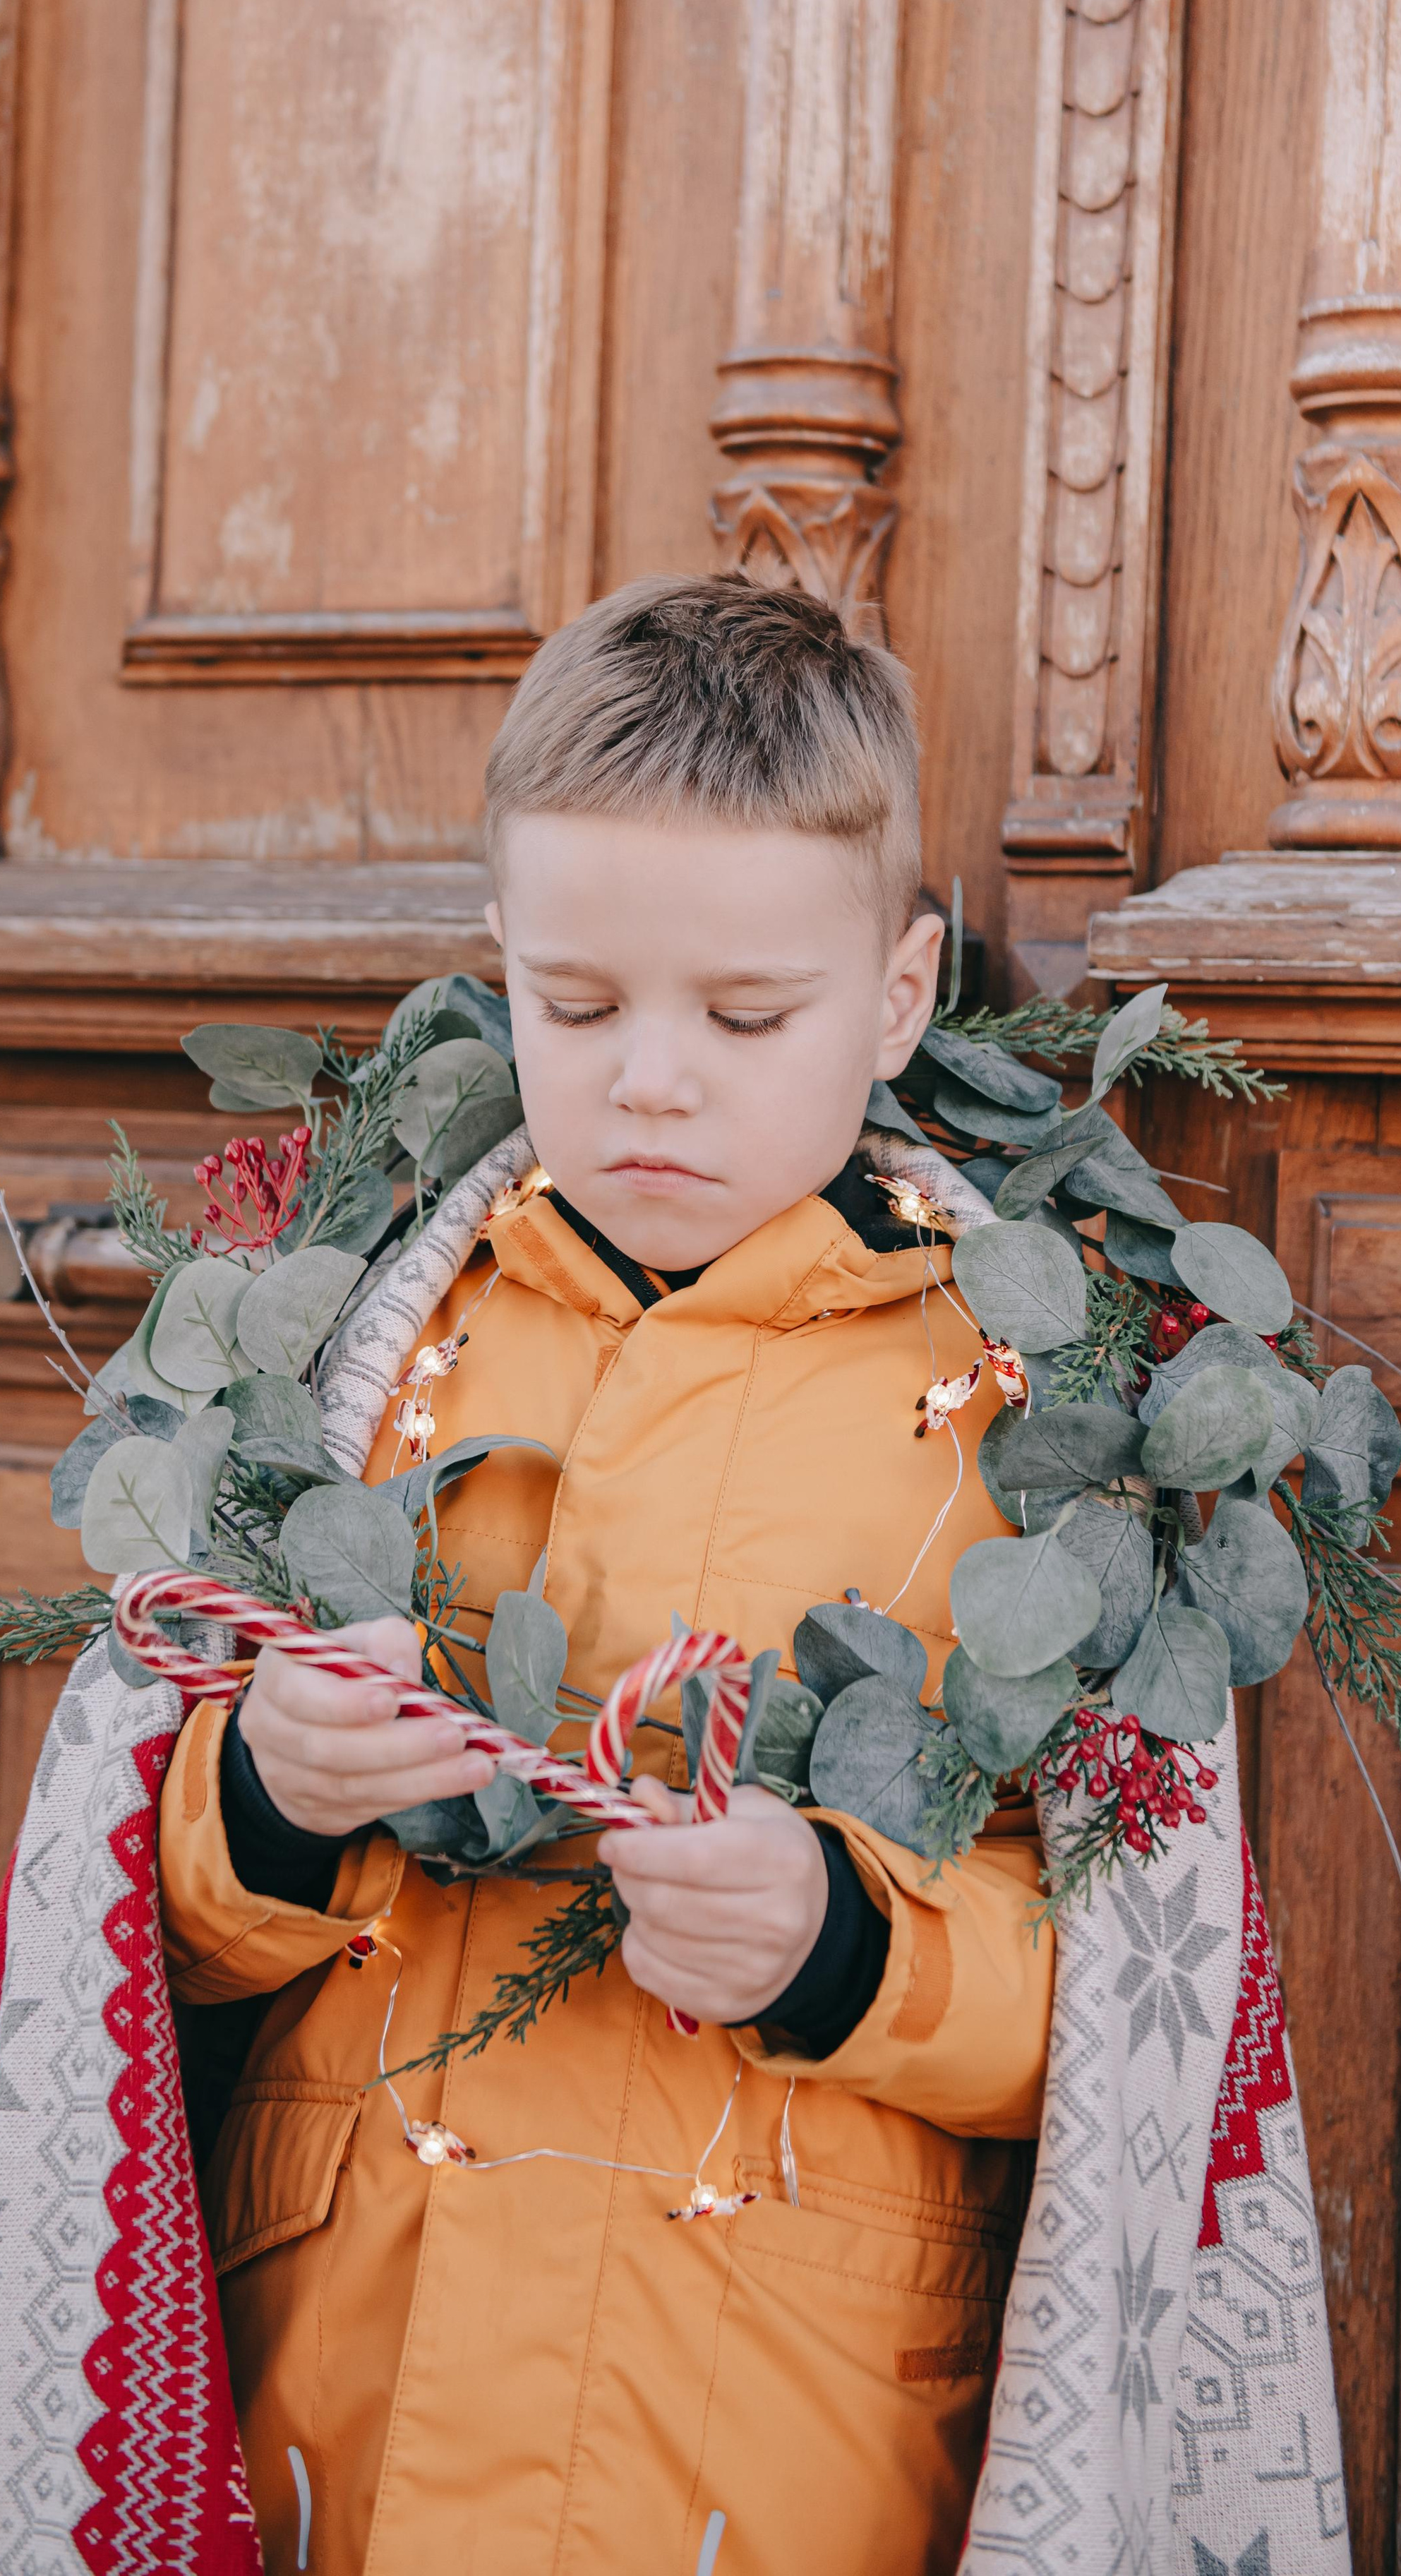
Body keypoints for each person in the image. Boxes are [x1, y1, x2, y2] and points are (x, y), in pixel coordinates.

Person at [158, 576, 1055, 2576]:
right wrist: (271, 1798)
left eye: (745, 1017)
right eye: (575, 1007)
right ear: (501, 960)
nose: (652, 1077)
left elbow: (1128, 1996)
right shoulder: (370, 1348)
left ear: (899, 994)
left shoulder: (1012, 1414)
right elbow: (151, 1948)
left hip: (762, 2426)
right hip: (343, 2402)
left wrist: (845, 1942)